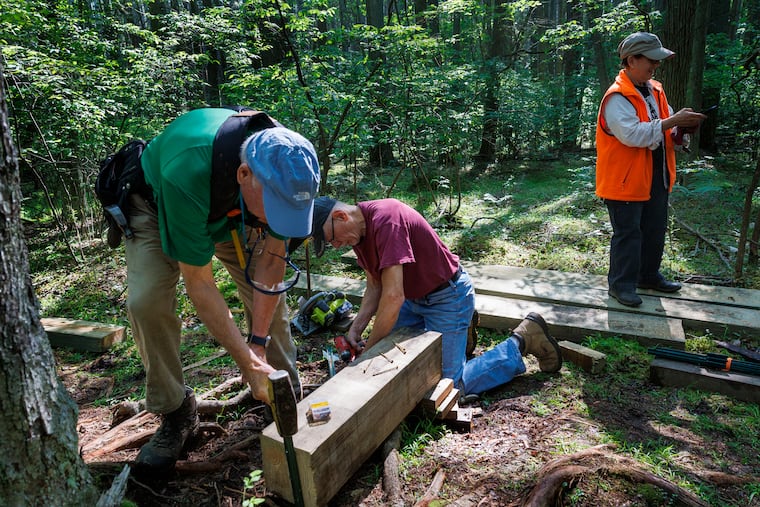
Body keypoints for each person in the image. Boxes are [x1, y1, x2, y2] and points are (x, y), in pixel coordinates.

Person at [126, 107, 320, 472]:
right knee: (147, 302)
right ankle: (176, 412)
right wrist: (245, 362)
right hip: (162, 204)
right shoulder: (187, 168)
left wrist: (257, 344)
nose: (280, 220)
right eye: (276, 210)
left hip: (236, 207)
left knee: (270, 306)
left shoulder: (288, 166)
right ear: (245, 174)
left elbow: (272, 263)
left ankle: (282, 392)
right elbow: (199, 282)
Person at [309, 197, 562, 397]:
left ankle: (523, 340)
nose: (337, 246)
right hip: (414, 301)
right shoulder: (358, 236)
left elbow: (393, 296)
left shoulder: (387, 220)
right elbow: (375, 285)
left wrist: (369, 351)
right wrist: (357, 329)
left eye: (332, 239)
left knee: (447, 388)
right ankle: (459, 336)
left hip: (447, 297)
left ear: (340, 216)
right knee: (395, 362)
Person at [596, 32, 706, 307]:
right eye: (650, 60)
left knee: (655, 229)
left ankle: (647, 276)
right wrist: (672, 122)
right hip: (624, 181)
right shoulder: (617, 97)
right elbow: (633, 135)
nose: (655, 66)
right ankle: (620, 285)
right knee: (629, 233)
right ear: (631, 60)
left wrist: (682, 129)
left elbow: (665, 127)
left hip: (657, 175)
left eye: (657, 61)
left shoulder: (655, 90)